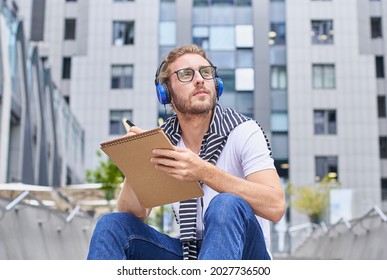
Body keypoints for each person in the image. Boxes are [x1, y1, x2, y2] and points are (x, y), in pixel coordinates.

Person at [87, 44, 286, 260]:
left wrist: (203, 171)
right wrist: (137, 163)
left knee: (225, 204)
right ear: (166, 93)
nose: (199, 79)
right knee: (111, 225)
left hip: (246, 255)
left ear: (216, 84)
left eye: (205, 72)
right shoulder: (164, 141)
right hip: (189, 255)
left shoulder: (244, 131)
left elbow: (275, 206)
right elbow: (132, 216)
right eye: (185, 74)